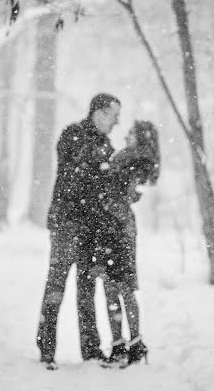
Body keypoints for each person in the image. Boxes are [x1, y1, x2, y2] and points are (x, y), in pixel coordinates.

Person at [36, 93, 121, 370]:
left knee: (86, 291)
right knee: (56, 285)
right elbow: (73, 174)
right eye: (113, 114)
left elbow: (102, 187)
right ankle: (46, 349)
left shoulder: (107, 146)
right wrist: (100, 171)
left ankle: (91, 351)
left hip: (91, 229)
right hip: (66, 223)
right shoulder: (72, 134)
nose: (117, 122)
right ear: (98, 112)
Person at [95, 120, 160, 368]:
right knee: (112, 285)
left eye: (131, 132)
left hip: (119, 226)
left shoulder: (139, 159)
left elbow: (130, 192)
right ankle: (122, 346)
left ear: (141, 136)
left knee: (121, 286)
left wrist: (111, 195)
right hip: (112, 224)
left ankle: (132, 345)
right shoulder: (130, 158)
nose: (126, 135)